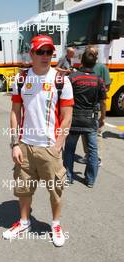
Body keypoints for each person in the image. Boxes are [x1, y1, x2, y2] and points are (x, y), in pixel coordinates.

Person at [2, 35, 74, 247]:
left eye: (49, 52)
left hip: (49, 147)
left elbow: (67, 115)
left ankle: (56, 224)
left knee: (56, 190)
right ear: (31, 54)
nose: (45, 56)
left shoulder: (61, 80)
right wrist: (15, 143)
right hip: (24, 146)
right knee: (23, 189)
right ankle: (24, 222)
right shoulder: (21, 79)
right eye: (40, 52)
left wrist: (59, 144)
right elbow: (15, 112)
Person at [64, 50, 106, 187]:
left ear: (81, 61)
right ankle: (90, 180)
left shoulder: (72, 78)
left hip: (74, 119)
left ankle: (69, 177)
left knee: (70, 149)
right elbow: (103, 102)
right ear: (94, 64)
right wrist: (102, 118)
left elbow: (64, 99)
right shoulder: (99, 81)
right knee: (93, 151)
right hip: (90, 120)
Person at [79, 46, 111, 166]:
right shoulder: (82, 67)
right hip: (83, 106)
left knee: (97, 133)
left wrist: (103, 116)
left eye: (91, 53)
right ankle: (88, 155)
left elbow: (107, 86)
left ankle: (98, 158)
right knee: (84, 133)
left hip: (96, 105)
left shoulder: (102, 67)